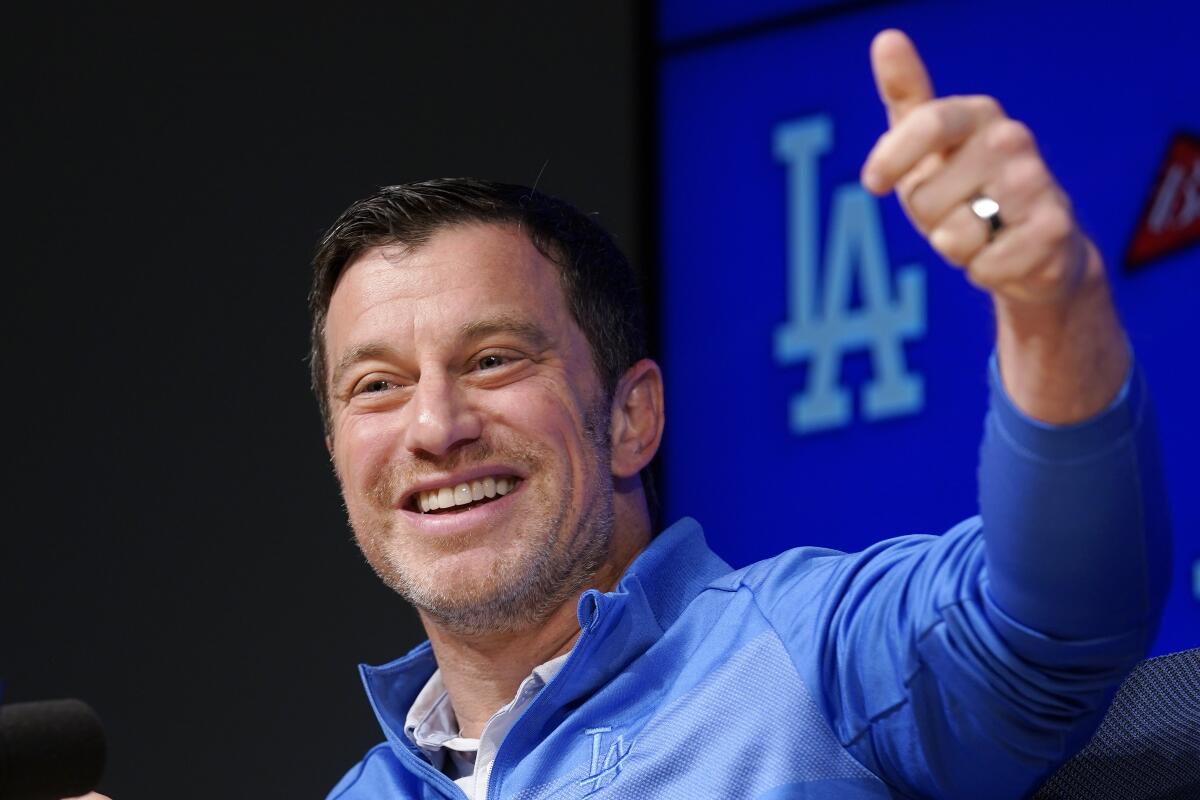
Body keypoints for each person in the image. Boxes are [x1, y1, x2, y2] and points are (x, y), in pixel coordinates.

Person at [313, 31, 1169, 800]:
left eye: (493, 360)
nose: (434, 427)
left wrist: (1051, 304)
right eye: (377, 385)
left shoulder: (810, 653)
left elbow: (1054, 617)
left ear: (631, 417)